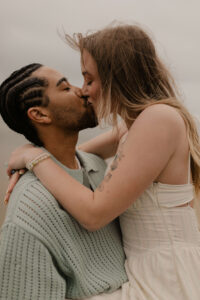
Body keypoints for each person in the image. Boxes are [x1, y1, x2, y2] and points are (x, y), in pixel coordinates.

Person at [6, 23, 200, 299]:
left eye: (89, 79)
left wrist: (33, 156)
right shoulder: (134, 126)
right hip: (144, 269)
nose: (84, 90)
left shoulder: (157, 120)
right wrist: (31, 150)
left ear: (116, 77)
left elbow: (94, 214)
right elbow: (74, 154)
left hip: (166, 276)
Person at [0, 63, 128, 300]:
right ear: (40, 114)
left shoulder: (96, 166)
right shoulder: (30, 209)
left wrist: (34, 156)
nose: (81, 91)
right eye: (65, 88)